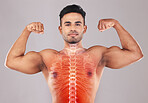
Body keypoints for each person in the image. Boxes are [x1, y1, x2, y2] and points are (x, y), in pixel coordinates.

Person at [5, 4, 143, 103]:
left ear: (84, 28)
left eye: (77, 24)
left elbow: (135, 54)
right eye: (67, 24)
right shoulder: (47, 57)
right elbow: (12, 61)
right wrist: (27, 30)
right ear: (60, 29)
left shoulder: (97, 54)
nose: (73, 28)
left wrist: (116, 24)